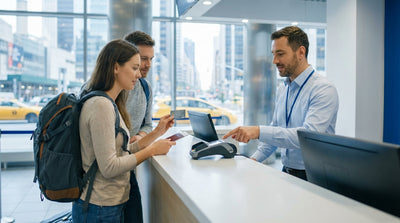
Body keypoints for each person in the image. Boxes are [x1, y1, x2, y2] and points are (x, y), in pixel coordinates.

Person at [72, 39, 176, 222]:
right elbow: (110, 167)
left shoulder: (111, 103)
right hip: (99, 208)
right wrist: (151, 150)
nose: (138, 74)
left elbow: (124, 150)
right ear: (115, 67)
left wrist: (158, 132)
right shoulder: (100, 105)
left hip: (110, 204)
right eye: (134, 67)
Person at [223, 26, 339, 181]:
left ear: (301, 52)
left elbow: (306, 137)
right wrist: (252, 161)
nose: (275, 61)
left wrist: (258, 131)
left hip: (316, 175)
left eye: (280, 54)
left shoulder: (323, 89)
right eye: (273, 54)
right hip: (287, 172)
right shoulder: (283, 88)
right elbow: (277, 131)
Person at [124, 31, 155, 143]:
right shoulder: (103, 91)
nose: (149, 65)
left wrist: (140, 136)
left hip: (130, 156)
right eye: (143, 58)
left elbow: (147, 125)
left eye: (151, 59)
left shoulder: (145, 87)